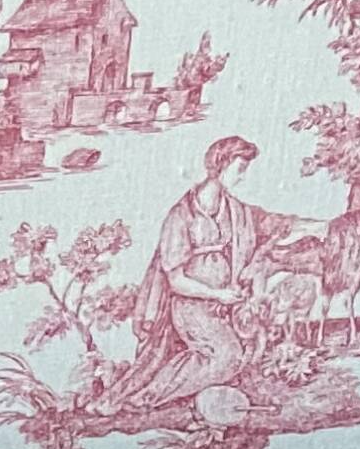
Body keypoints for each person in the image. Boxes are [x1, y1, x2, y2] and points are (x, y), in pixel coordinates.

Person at [110, 134, 296, 427]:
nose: (243, 177)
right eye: (240, 169)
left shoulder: (236, 210)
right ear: (220, 165)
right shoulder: (181, 215)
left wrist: (322, 227)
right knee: (228, 356)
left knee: (240, 352)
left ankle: (178, 392)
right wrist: (218, 294)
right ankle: (148, 396)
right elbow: (176, 280)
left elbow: (275, 222)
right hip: (190, 306)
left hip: (224, 304)